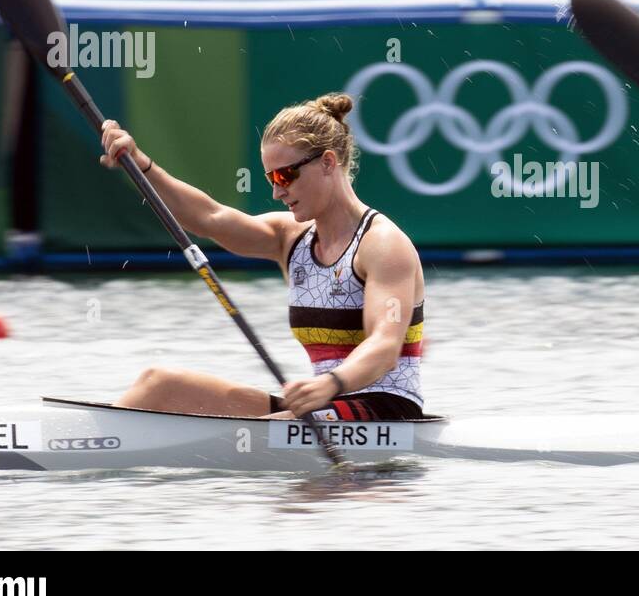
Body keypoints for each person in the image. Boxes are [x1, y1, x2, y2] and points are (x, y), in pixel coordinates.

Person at [102, 93, 425, 421]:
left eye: (285, 176)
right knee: (158, 384)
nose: (276, 191)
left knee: (255, 432)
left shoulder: (382, 244)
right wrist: (141, 165)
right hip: (319, 407)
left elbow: (385, 346)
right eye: (271, 179)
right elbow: (207, 218)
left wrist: (330, 384)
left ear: (328, 162)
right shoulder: (290, 238)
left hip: (385, 408)